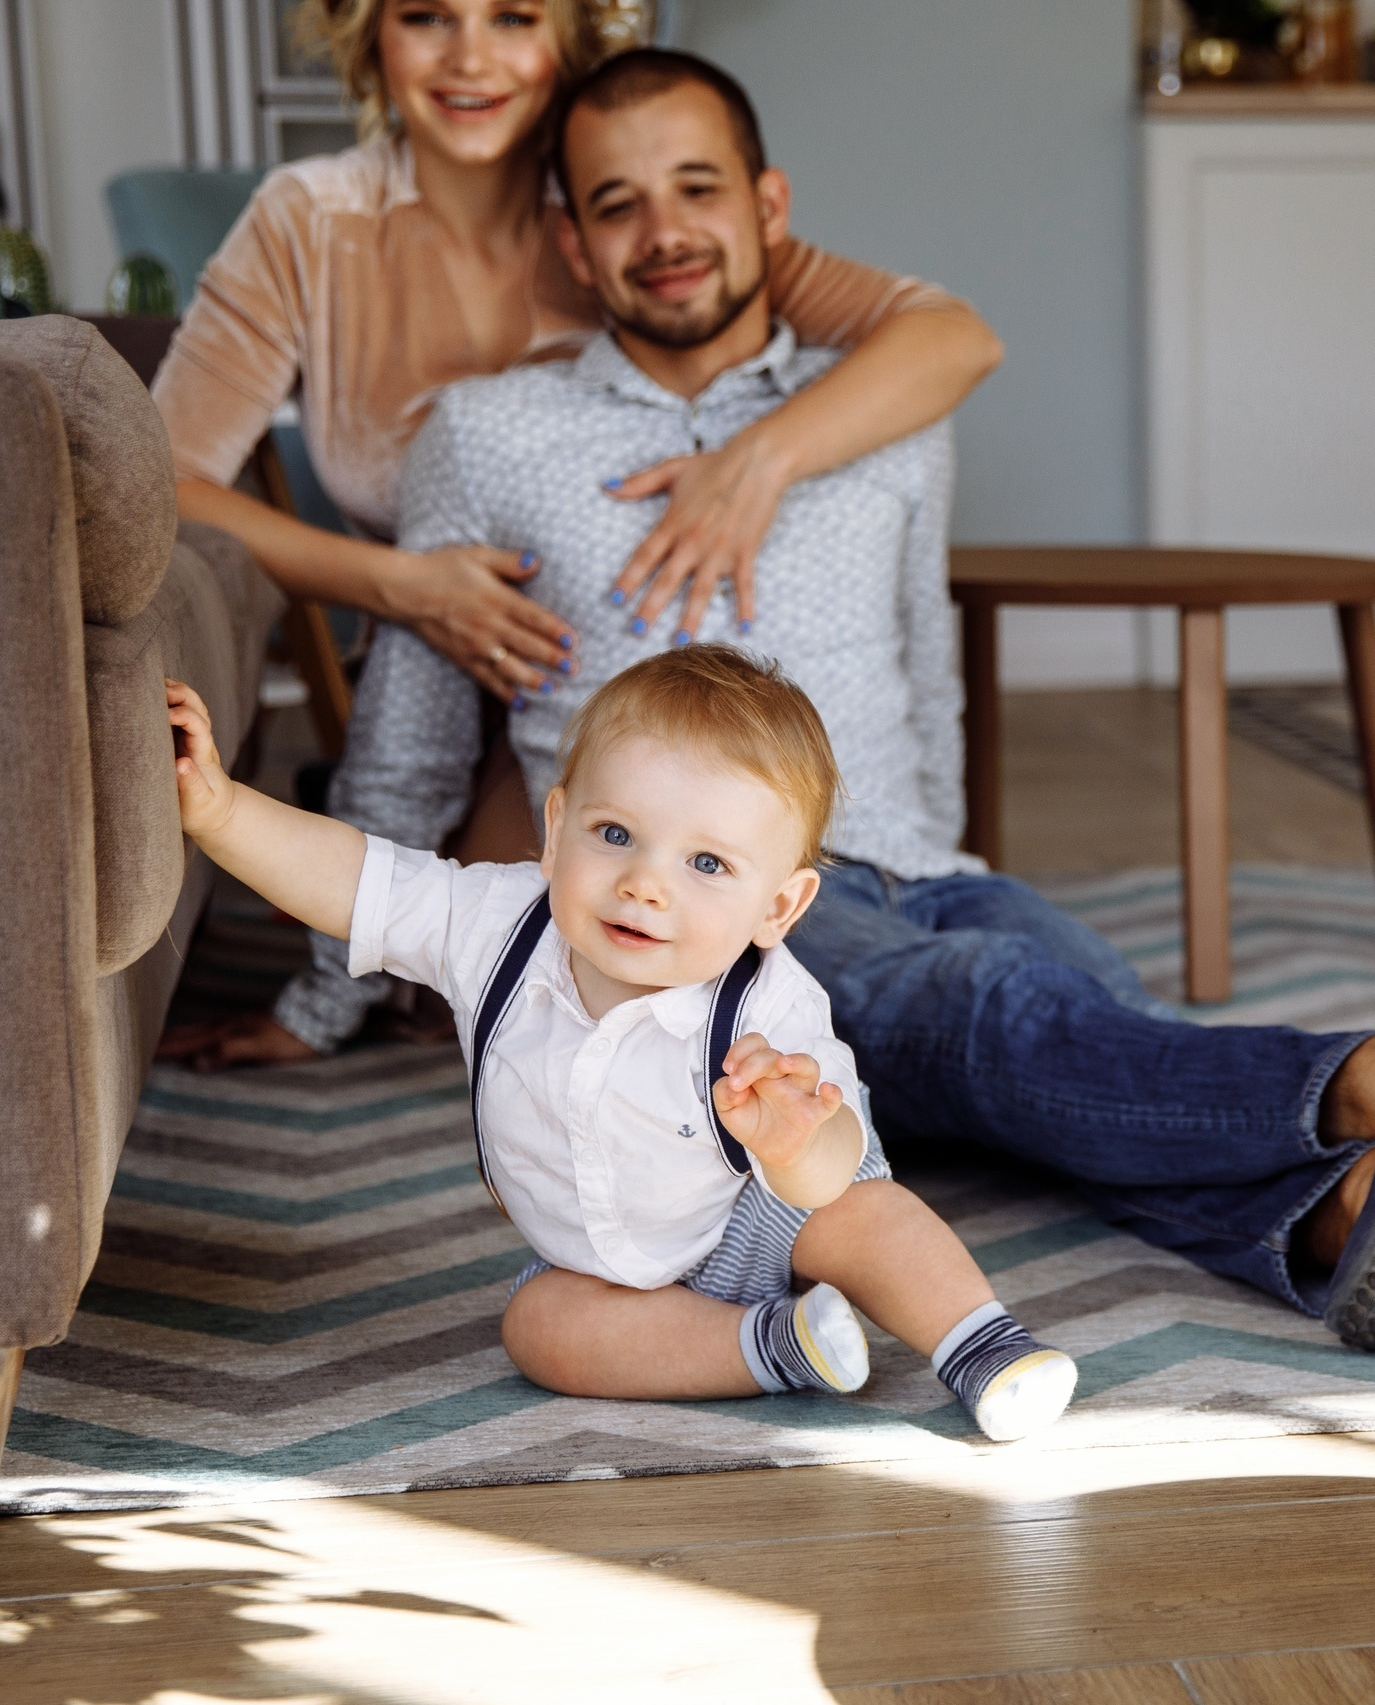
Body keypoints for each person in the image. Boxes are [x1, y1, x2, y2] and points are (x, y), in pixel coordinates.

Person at [223, 46, 1375, 1356]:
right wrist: (317, 991)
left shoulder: (883, 420)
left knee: (1060, 1039)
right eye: (616, 203)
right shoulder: (487, 435)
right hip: (736, 899)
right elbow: (410, 720)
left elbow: (923, 674)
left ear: (769, 203)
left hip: (937, 868)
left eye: (698, 187)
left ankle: (1351, 1217)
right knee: (994, 1017)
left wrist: (963, 864)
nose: (664, 231)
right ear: (571, 243)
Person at [153, 0, 1003, 1069]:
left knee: (731, 914)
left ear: (571, 37)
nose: (470, 57)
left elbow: (953, 340)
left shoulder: (650, 212)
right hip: (466, 665)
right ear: (369, 37)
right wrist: (399, 585)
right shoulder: (312, 221)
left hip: (585, 679)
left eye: (513, 16)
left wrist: (757, 459)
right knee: (563, 980)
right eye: (426, 16)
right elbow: (158, 475)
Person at [165, 649, 1083, 1441]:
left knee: (867, 1217)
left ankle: (982, 1345)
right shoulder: (494, 926)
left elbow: (830, 1174)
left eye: (707, 863)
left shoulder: (769, 1004)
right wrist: (218, 809)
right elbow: (356, 881)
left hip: (763, 1209)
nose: (645, 884)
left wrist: (798, 1138)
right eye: (615, 834)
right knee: (540, 1330)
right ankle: (775, 1346)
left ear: (779, 907)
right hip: (598, 1266)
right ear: (556, 828)